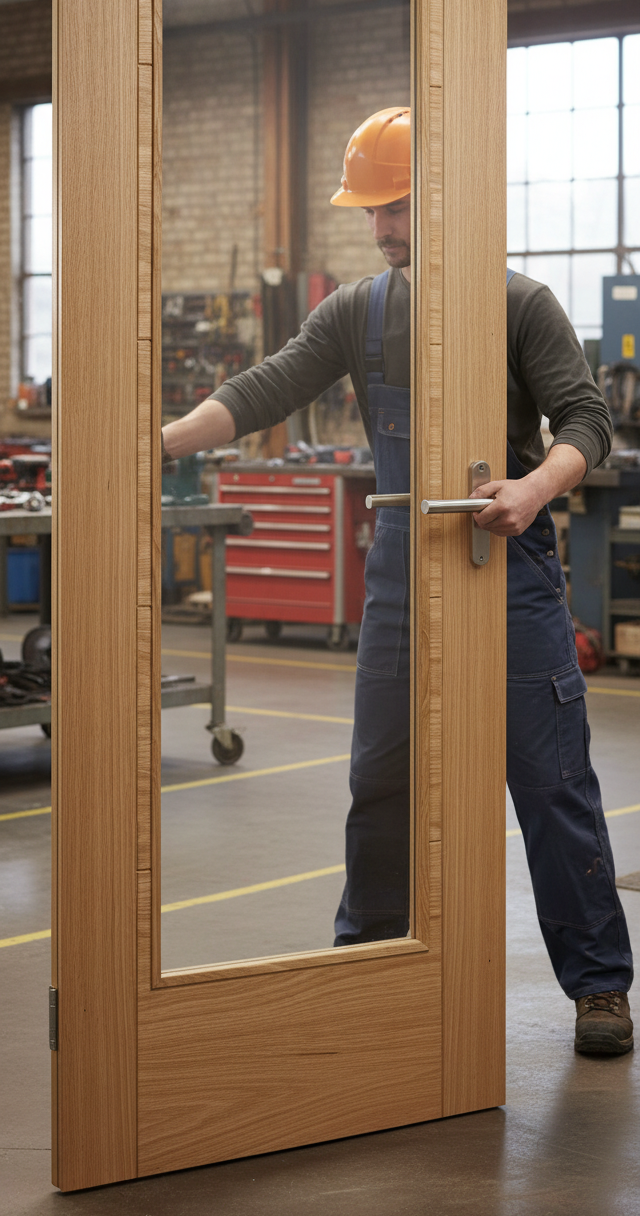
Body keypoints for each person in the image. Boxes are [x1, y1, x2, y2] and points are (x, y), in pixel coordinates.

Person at [163, 105, 634, 1058]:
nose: (380, 230)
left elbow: (586, 421)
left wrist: (535, 487)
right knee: (380, 780)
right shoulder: (359, 310)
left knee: (551, 782)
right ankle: (366, 962)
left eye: (398, 206)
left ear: (448, 202)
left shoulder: (520, 303)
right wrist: (153, 444)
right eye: (372, 210)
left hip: (510, 569)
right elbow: (265, 388)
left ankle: (597, 986)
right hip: (399, 577)